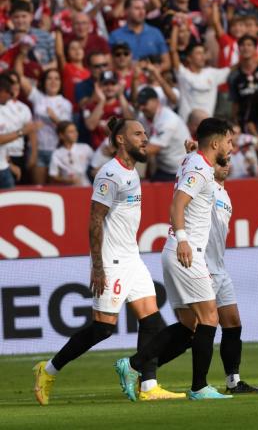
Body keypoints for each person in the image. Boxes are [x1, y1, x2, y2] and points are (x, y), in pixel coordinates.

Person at [33, 117, 184, 406]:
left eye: (145, 133)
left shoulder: (132, 170)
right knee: (103, 328)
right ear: (121, 140)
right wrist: (98, 266)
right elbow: (95, 219)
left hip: (132, 258)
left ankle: (149, 385)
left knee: (151, 320)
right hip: (112, 260)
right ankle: (48, 369)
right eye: (138, 134)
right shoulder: (109, 174)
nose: (145, 138)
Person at [115, 118, 235, 401]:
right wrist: (183, 238)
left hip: (178, 251)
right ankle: (199, 387)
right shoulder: (199, 167)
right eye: (228, 141)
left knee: (189, 327)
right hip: (186, 250)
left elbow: (195, 162)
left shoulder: (194, 161)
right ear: (215, 143)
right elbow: (178, 203)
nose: (231, 147)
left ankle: (133, 365)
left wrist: (194, 149)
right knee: (209, 318)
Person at [204, 161, 258, 393]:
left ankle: (233, 381)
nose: (227, 165)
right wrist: (191, 155)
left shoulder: (225, 194)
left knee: (233, 323)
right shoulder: (205, 186)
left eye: (229, 161)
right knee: (195, 330)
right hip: (203, 267)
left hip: (220, 267)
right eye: (221, 162)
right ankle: (146, 368)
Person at [15, 66, 73, 185]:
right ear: (43, 82)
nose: (53, 82)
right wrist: (21, 53)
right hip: (37, 150)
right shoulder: (38, 97)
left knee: (56, 189)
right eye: (49, 78)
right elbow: (19, 77)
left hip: (57, 150)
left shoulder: (66, 103)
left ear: (61, 83)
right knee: (39, 188)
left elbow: (68, 130)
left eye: (56, 79)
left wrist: (54, 118)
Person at [170, 18, 230, 123]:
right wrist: (175, 26)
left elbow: (234, 68)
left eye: (203, 53)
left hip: (206, 129)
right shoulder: (183, 74)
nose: (202, 57)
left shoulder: (212, 73)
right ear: (189, 58)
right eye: (198, 53)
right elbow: (173, 51)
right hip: (186, 127)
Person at [136, 87, 190, 182]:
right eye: (140, 104)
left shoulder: (168, 119)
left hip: (181, 171)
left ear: (156, 101)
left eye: (144, 104)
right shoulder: (144, 117)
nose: (141, 108)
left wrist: (126, 152)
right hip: (164, 168)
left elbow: (152, 149)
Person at [0, 74, 40, 189]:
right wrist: (22, 132)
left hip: (4, 166)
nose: (10, 96)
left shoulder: (19, 108)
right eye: (8, 92)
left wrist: (9, 165)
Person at [109, 0, 169, 66]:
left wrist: (155, 70)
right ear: (126, 11)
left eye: (143, 8)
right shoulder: (115, 36)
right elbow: (110, 63)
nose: (141, 12)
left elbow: (167, 62)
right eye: (137, 8)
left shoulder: (155, 33)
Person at [82, 70, 134, 149]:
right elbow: (90, 126)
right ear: (98, 86)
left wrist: (120, 95)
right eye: (105, 84)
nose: (109, 88)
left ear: (118, 85)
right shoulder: (90, 107)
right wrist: (102, 101)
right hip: (99, 152)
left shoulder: (125, 104)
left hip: (122, 151)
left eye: (113, 84)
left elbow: (132, 123)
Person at [48, 121, 93, 185]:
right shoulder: (57, 153)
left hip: (86, 186)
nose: (75, 134)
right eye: (71, 132)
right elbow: (53, 175)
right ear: (61, 135)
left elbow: (95, 165)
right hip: (68, 189)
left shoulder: (85, 148)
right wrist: (67, 180)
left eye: (75, 131)